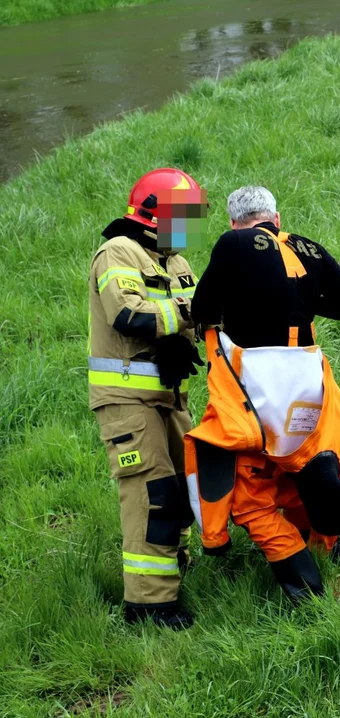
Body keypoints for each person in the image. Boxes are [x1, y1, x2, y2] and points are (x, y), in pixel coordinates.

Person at [185, 186, 340, 600]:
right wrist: (304, 300)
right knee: (306, 463)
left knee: (251, 496)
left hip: (255, 392)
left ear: (234, 223)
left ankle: (304, 586)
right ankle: (323, 540)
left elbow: (202, 309)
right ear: (277, 219)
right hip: (308, 388)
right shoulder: (307, 249)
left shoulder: (233, 243)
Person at [88, 167, 207, 629]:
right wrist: (186, 316)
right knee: (152, 493)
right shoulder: (117, 251)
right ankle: (148, 605)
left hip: (169, 396)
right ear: (155, 213)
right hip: (126, 399)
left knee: (187, 485)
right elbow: (127, 314)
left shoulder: (175, 262)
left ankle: (171, 564)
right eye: (187, 216)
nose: (192, 227)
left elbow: (199, 317)